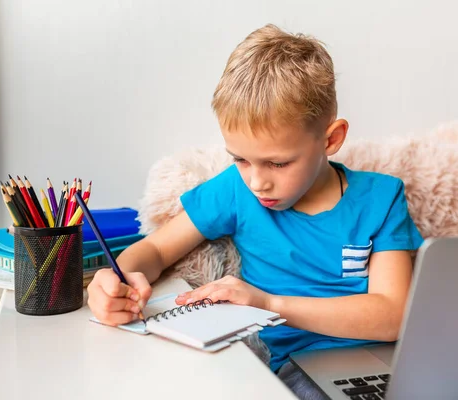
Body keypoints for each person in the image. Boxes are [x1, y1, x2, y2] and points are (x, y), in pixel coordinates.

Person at [87, 24, 423, 399]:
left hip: (403, 360)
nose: (257, 182)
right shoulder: (235, 189)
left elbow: (392, 316)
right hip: (305, 372)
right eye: (241, 160)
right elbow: (156, 250)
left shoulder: (381, 197)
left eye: (278, 164)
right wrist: (121, 277)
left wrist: (269, 304)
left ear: (331, 139)